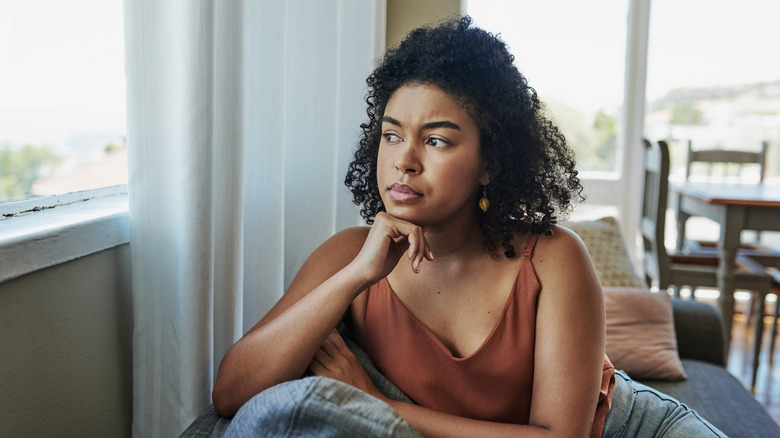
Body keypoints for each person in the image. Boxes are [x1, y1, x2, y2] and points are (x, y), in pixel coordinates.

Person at [212, 16, 727, 438]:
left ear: (490, 163)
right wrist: (354, 278)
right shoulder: (350, 255)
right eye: (392, 136)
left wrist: (372, 404)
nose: (404, 161)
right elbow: (232, 393)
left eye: (436, 141)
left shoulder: (553, 257)